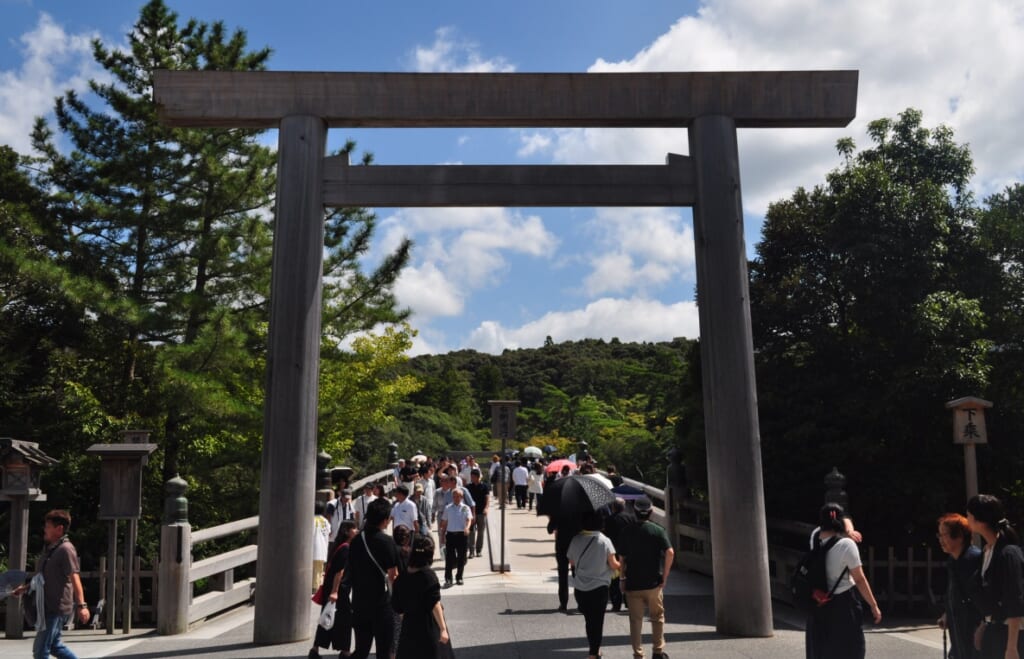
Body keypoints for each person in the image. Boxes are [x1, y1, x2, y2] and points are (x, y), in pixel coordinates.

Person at [804, 502, 882, 659]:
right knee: (850, 649)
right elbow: (859, 579)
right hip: (843, 604)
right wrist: (874, 605)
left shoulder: (814, 538)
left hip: (818, 602)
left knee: (822, 648)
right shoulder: (847, 545)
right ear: (841, 522)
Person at [13, 509, 91, 659]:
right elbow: (43, 577)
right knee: (55, 646)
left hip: (56, 606)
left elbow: (75, 577)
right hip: (46, 606)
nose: (45, 530)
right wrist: (26, 588)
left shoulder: (65, 549)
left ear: (59, 529)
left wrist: (82, 606)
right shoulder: (50, 549)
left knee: (41, 650)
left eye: (48, 526)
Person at [966, 494, 1024, 658]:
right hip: (995, 630)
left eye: (969, 515)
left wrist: (1011, 648)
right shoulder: (988, 550)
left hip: (1012, 635)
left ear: (980, 521)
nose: (967, 518)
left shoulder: (1008, 553)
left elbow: (1015, 600)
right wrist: (985, 625)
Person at [619, 496, 675, 659]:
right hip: (653, 583)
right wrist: (664, 576)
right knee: (657, 617)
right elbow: (670, 552)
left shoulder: (626, 531)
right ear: (650, 512)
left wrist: (622, 578)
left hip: (633, 582)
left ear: (634, 512)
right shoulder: (657, 530)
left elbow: (622, 558)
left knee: (636, 621)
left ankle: (638, 654)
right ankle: (657, 651)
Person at [348, 498, 400, 659]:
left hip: (359, 602)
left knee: (361, 650)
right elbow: (394, 575)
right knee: (384, 651)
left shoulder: (356, 540)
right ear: (384, 520)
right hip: (381, 604)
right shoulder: (387, 542)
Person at [568, 511, 621, 659]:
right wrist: (622, 564)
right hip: (599, 588)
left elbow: (571, 562)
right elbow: (613, 564)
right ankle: (593, 653)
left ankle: (594, 650)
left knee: (589, 620)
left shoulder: (576, 539)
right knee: (597, 621)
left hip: (580, 588)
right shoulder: (604, 541)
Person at [393, 534, 450, 659]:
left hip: (409, 627)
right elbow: (435, 604)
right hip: (429, 626)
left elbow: (397, 607)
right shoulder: (428, 576)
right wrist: (443, 629)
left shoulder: (402, 578)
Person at [937, 512, 983, 659]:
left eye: (944, 535)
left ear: (959, 536)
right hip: (958, 628)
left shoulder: (973, 559)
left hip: (973, 628)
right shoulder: (953, 560)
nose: (940, 539)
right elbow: (955, 593)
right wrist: (946, 613)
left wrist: (982, 625)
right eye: (939, 535)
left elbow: (982, 598)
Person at [310, 520, 357, 659]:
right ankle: (345, 651)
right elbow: (339, 572)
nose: (357, 530)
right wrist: (335, 591)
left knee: (327, 619)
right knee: (345, 620)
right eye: (354, 528)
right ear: (348, 531)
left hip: (332, 590)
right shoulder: (346, 548)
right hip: (338, 591)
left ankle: (315, 650)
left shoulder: (339, 546)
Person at [604, 497, 635, 612]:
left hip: (614, 552)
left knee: (614, 579)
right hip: (629, 551)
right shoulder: (631, 518)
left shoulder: (609, 519)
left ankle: (616, 604)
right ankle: (628, 602)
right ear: (624, 506)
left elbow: (606, 536)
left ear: (613, 507)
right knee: (628, 576)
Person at [439, 487, 473, 587]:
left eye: (458, 496)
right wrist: (442, 535)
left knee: (461, 558)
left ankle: (459, 577)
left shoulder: (465, 508)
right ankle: (448, 578)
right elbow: (444, 522)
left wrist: (467, 528)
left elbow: (469, 519)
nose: (456, 498)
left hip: (462, 535)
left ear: (462, 497)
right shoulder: (448, 508)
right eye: (454, 496)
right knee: (449, 558)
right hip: (450, 535)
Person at [465, 468, 490, 558]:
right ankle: (471, 551)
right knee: (471, 532)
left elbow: (487, 498)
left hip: (481, 512)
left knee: (481, 532)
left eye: (474, 477)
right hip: (471, 513)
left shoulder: (484, 486)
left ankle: (478, 550)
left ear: (478, 477)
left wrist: (486, 508)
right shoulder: (468, 487)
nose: (472, 478)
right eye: (471, 477)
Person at [313, 500, 331, 592]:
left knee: (313, 570)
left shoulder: (311, 519)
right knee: (319, 570)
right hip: (322, 548)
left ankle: (314, 588)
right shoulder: (325, 521)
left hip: (312, 549)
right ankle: (318, 587)